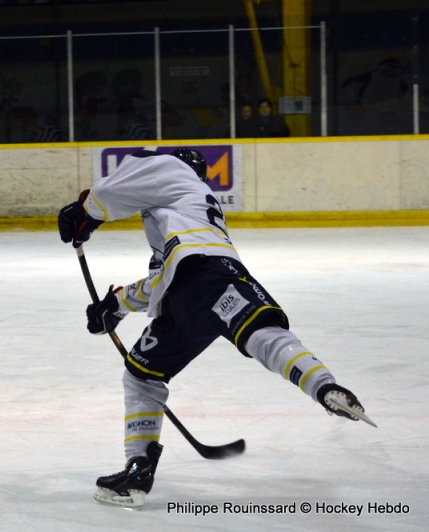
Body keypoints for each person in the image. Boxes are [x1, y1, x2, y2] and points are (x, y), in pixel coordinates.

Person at [57, 148, 373, 510]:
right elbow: (163, 277)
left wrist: (86, 212)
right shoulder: (180, 214)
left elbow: (118, 186)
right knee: (158, 368)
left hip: (206, 274)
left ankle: (324, 387)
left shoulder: (173, 170)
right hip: (195, 289)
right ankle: (137, 469)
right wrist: (116, 305)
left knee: (253, 337)